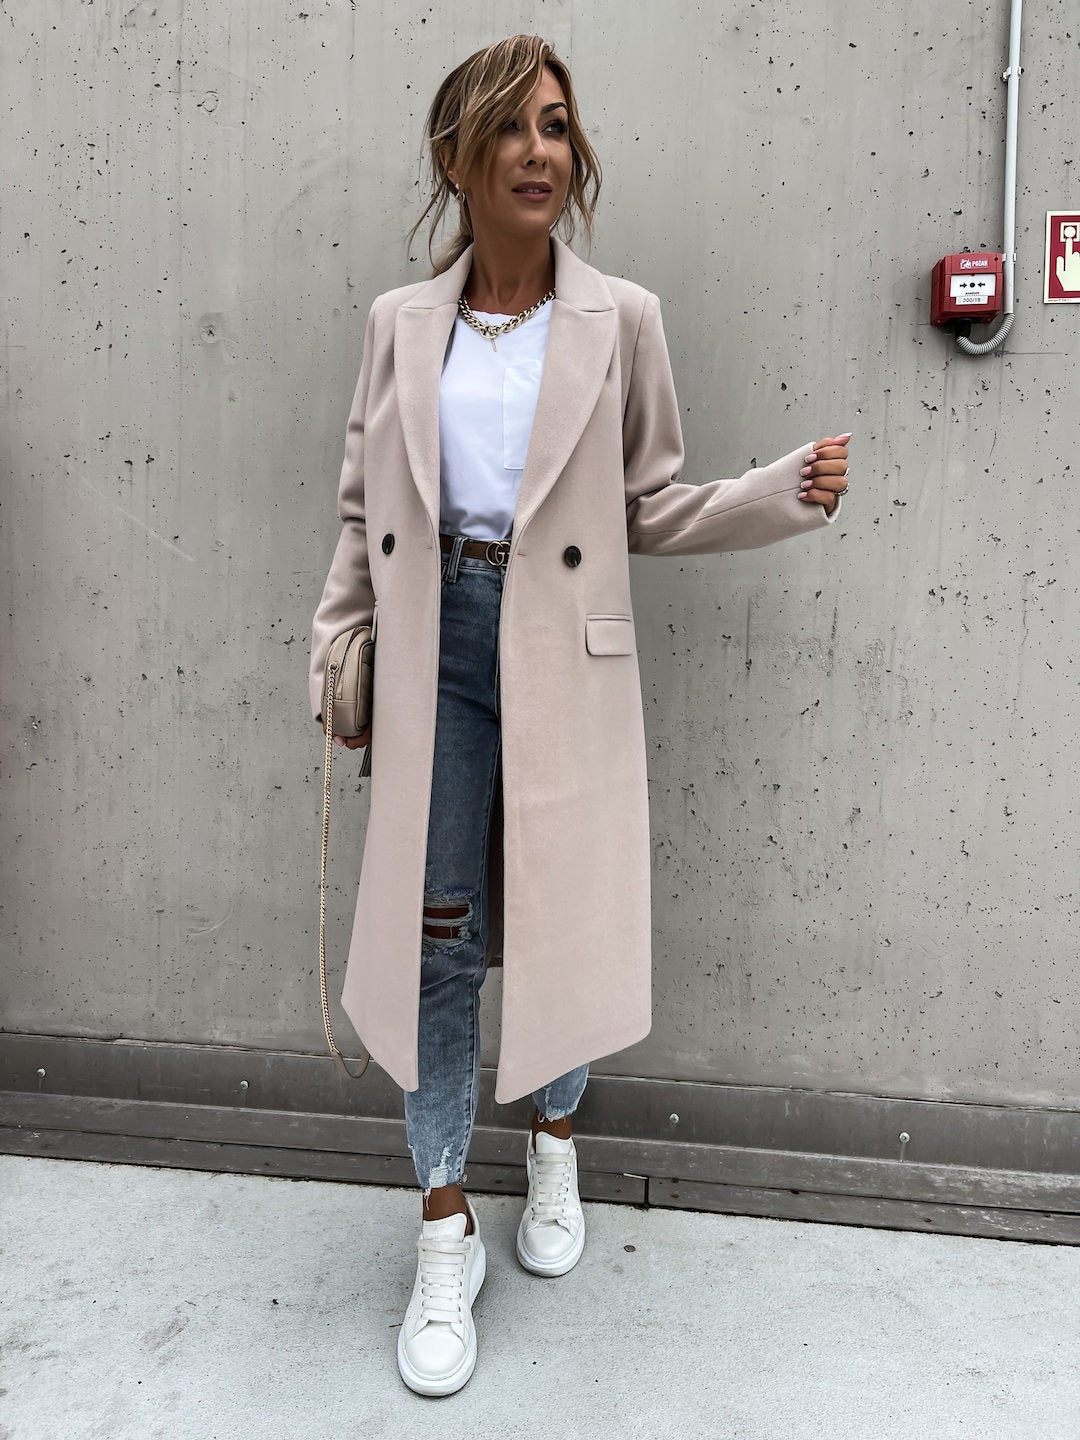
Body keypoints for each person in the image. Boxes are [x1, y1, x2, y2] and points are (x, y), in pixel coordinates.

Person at [308, 34, 851, 1397]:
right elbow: (364, 512)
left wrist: (777, 493)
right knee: (438, 939)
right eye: (510, 127)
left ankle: (555, 1139)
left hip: (567, 647)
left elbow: (646, 504)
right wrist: (337, 655)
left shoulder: (624, 320)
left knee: (560, 923)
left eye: (555, 126)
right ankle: (444, 1228)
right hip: (435, 651)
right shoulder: (398, 323)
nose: (539, 150)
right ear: (458, 158)